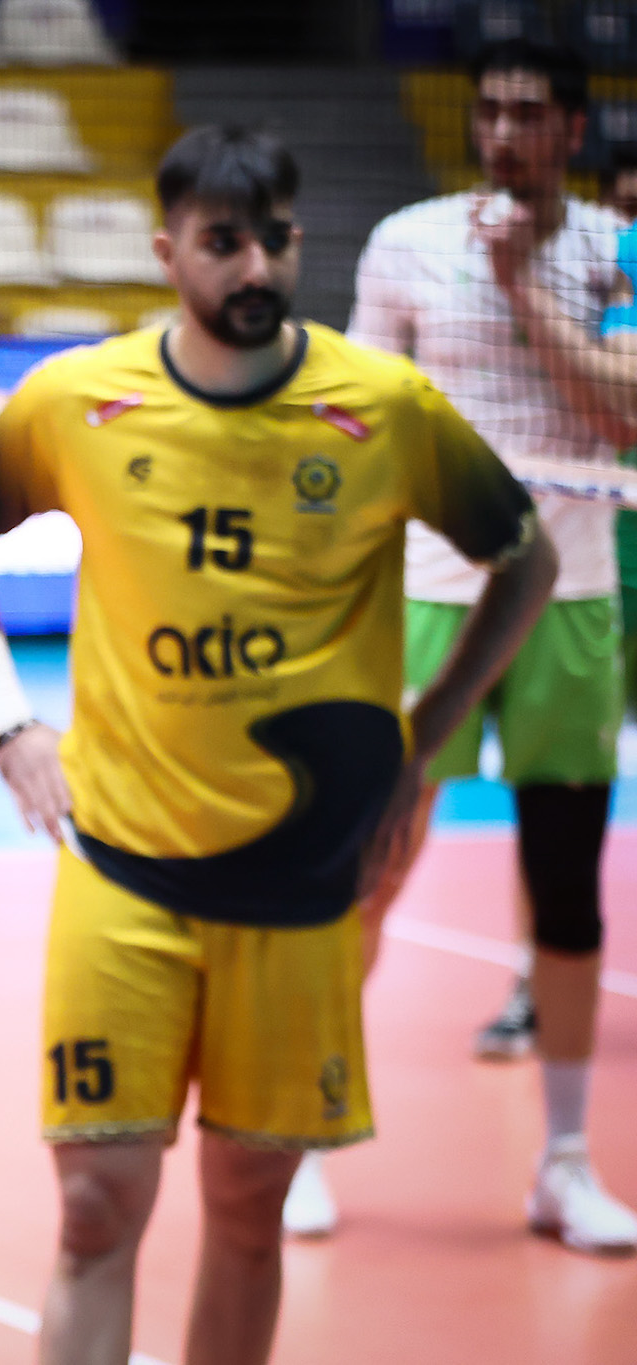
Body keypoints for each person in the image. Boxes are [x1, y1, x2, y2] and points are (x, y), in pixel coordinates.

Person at [0, 125, 556, 1365]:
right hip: (121, 870)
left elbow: (519, 557)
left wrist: (424, 738)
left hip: (300, 892)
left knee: (248, 1213)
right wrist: (4, 719)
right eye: (222, 243)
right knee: (93, 1209)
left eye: (272, 239)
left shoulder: (382, 407)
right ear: (168, 253)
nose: (253, 266)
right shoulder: (78, 399)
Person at [317, 36, 637, 1254]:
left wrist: (515, 287)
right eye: (488, 111)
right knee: (368, 873)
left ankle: (562, 1165)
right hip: (431, 595)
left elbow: (621, 412)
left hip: (572, 598)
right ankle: (304, 1133)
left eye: (527, 114)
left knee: (564, 887)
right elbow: (361, 417)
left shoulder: (616, 251)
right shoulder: (404, 242)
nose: (502, 133)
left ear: (570, 130)